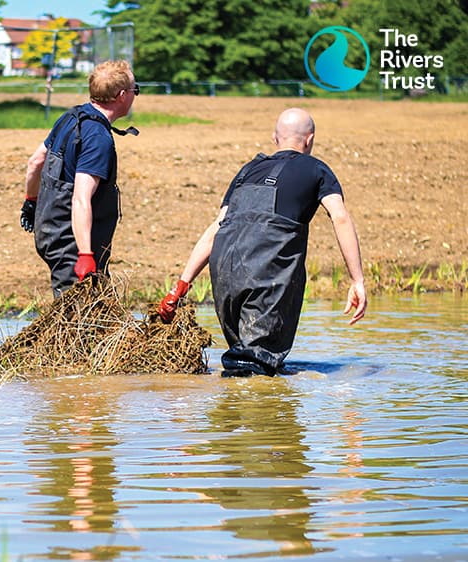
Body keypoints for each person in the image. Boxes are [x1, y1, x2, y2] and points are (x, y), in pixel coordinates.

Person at [157, 107, 367, 376]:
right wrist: (357, 280)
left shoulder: (248, 170)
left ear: (274, 138)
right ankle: (256, 410)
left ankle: (231, 411)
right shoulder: (317, 169)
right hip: (267, 269)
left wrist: (181, 286)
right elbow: (340, 218)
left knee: (245, 357)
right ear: (310, 139)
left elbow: (216, 228)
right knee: (255, 366)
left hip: (225, 271)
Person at [19, 60, 139, 297]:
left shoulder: (72, 117)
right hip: (71, 243)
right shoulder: (97, 138)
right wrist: (85, 254)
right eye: (136, 90)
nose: (135, 95)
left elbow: (35, 162)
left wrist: (30, 202)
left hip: (49, 231)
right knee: (76, 317)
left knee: (93, 315)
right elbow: (81, 199)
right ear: (122, 95)